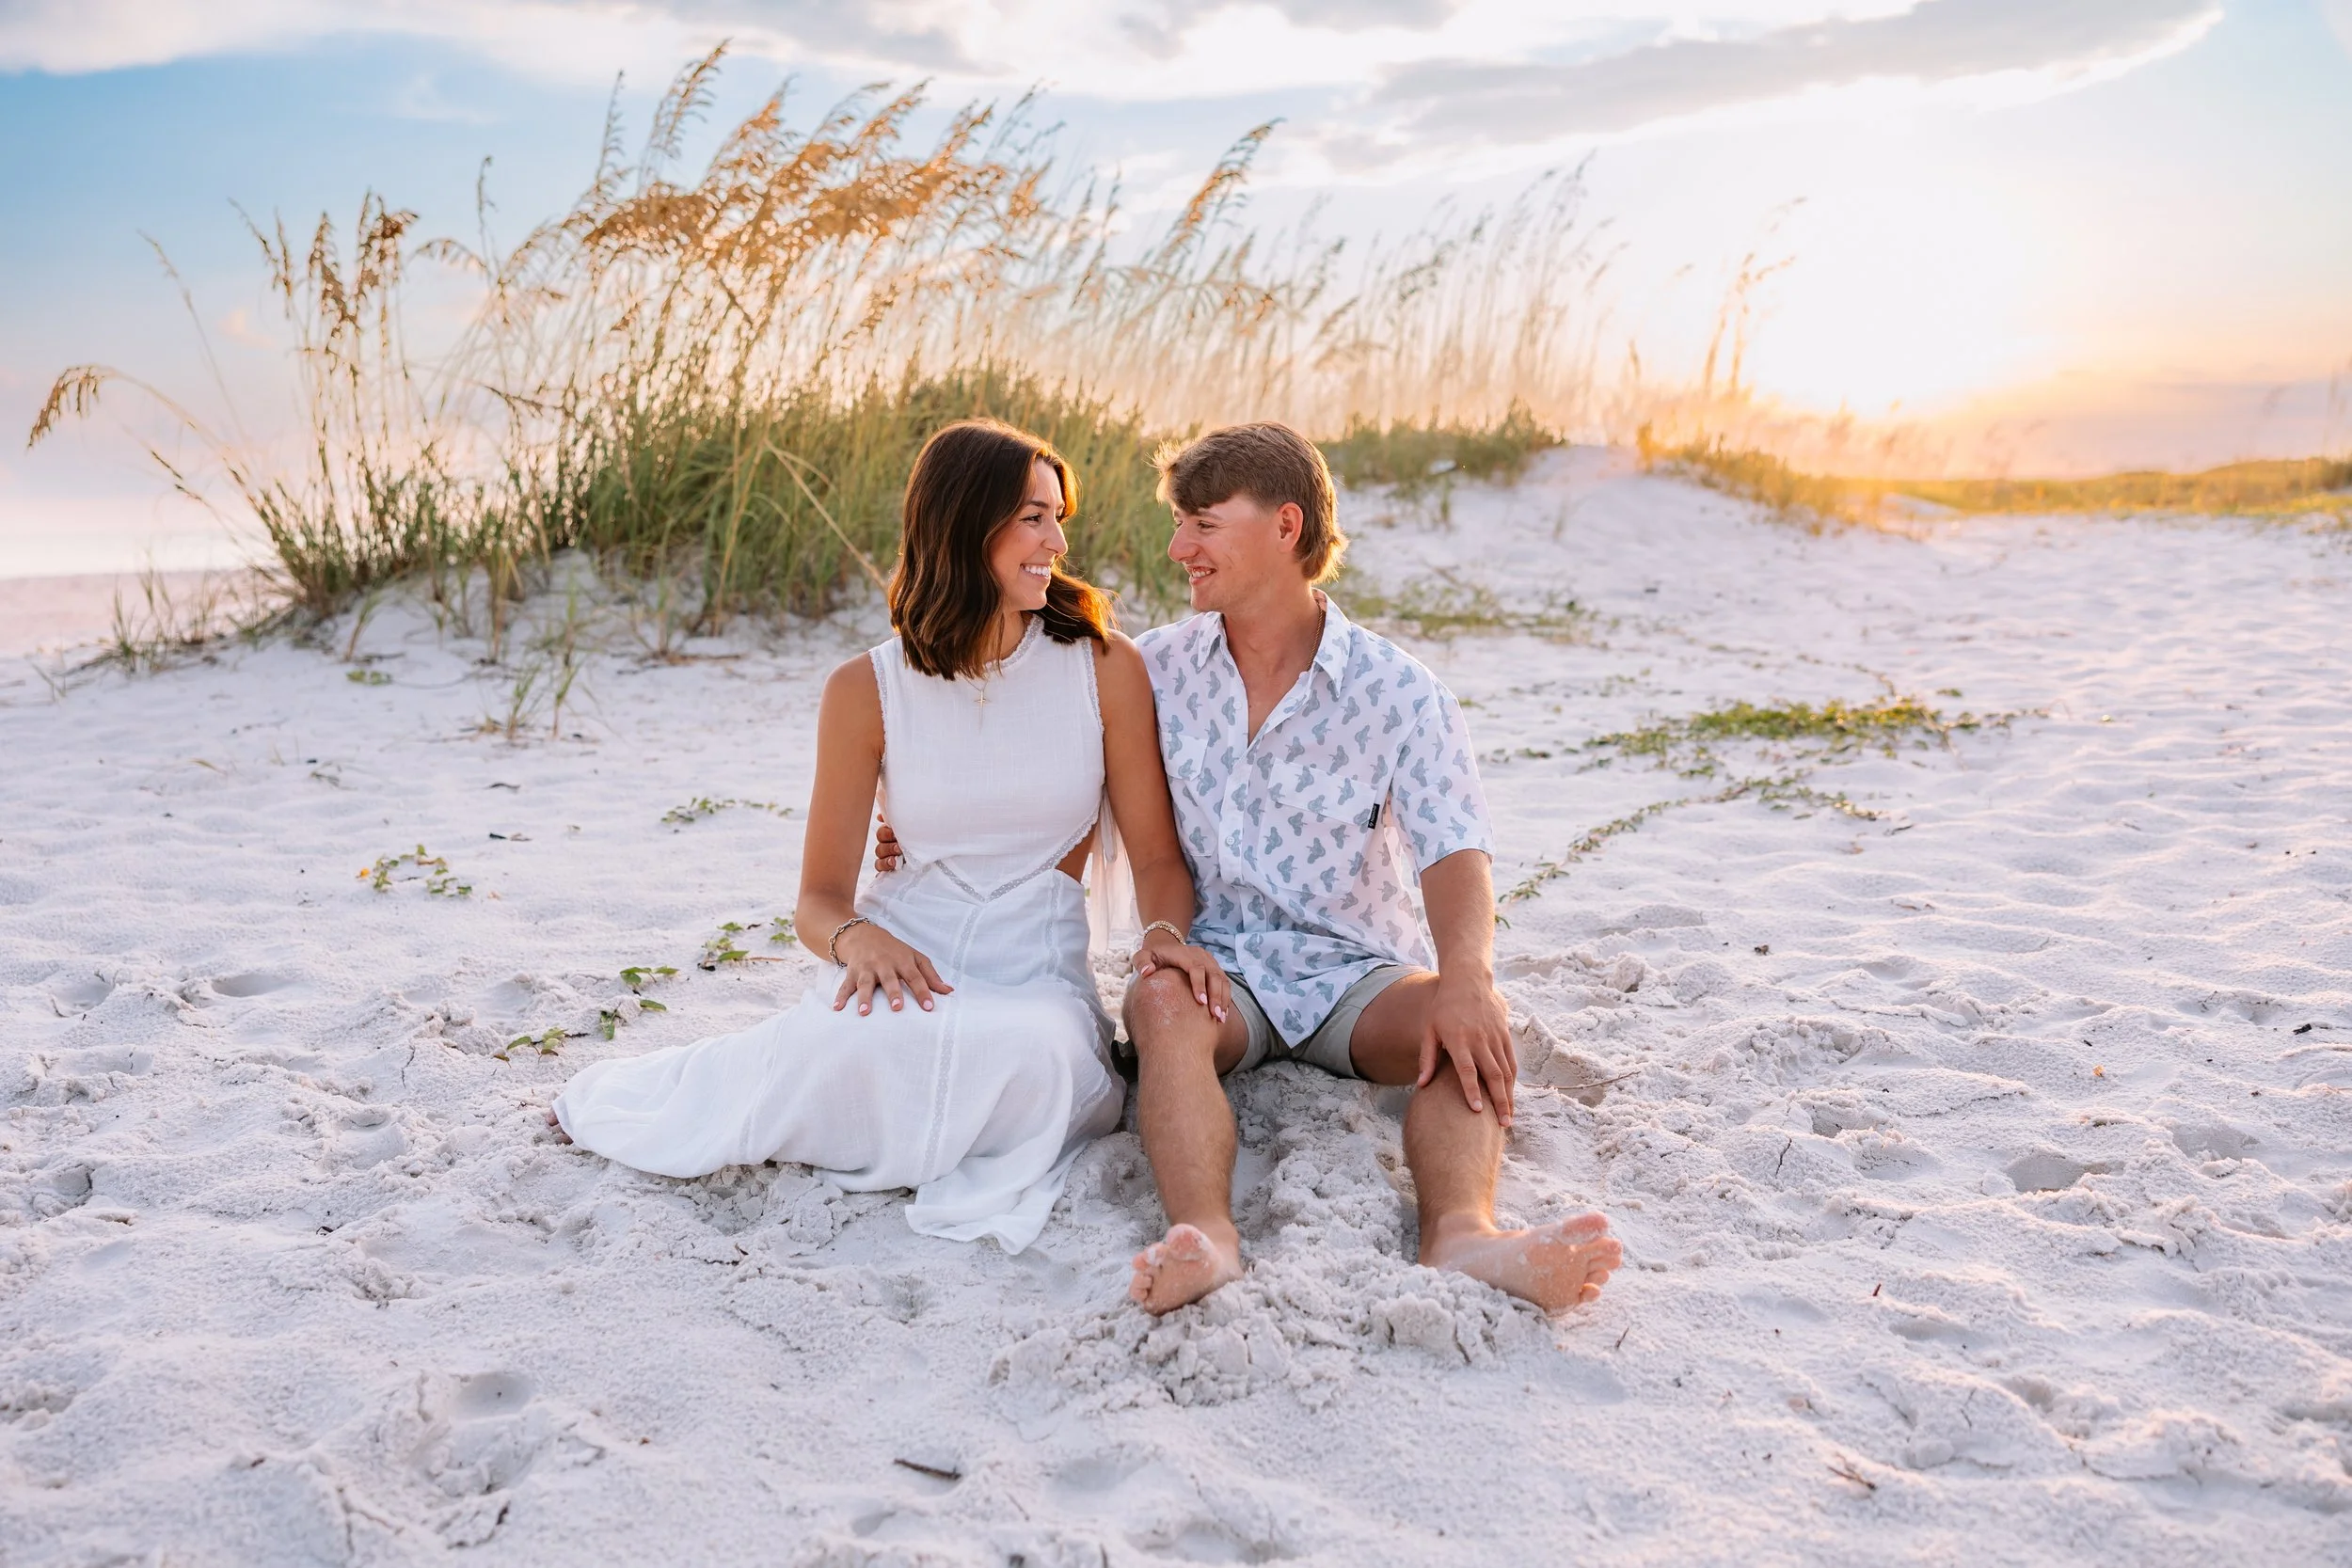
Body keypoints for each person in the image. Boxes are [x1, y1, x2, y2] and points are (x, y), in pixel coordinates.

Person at [885, 422, 1624, 1313]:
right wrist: (922, 835)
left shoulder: (1400, 691)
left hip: (1356, 971)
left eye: (1202, 523)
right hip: (1217, 973)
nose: (1177, 547)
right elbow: (1025, 743)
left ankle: (1461, 1234)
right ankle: (1209, 1237)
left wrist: (1468, 977)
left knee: (1462, 1019)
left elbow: (1454, 845)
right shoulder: (1151, 668)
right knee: (1157, 1000)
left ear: (1285, 526)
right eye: (1179, 522)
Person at [552, 420, 1230, 1254]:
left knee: (1047, 1060)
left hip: (1035, 966)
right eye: (1033, 518)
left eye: (1059, 517)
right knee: (840, 1050)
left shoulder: (1102, 665)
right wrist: (857, 938)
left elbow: (1159, 858)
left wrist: (1162, 937)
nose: (1058, 540)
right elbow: (818, 901)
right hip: (912, 957)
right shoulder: (864, 689)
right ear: (962, 524)